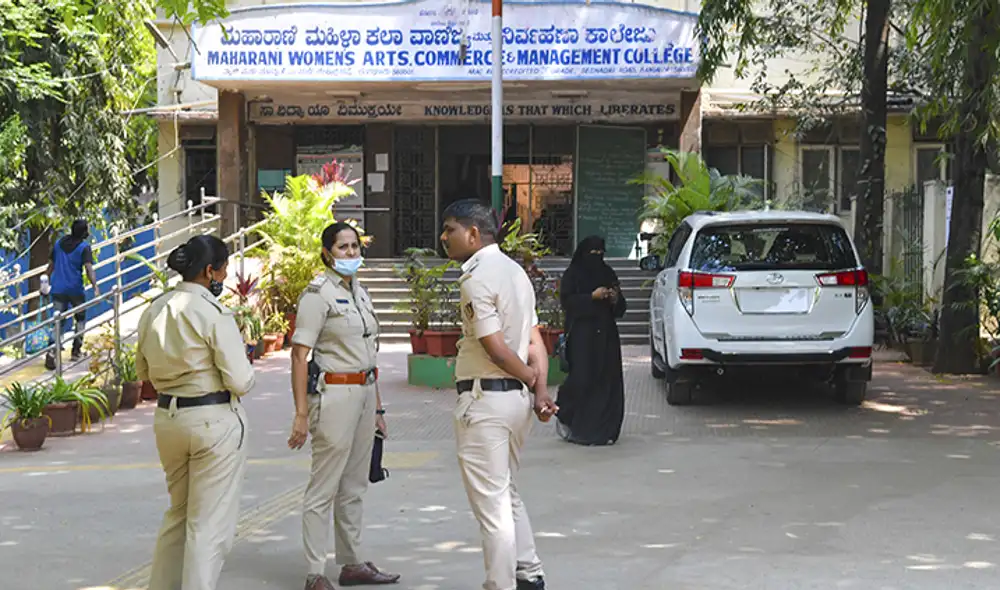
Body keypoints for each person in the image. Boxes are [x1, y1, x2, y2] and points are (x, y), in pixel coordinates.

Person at [440, 199, 559, 590]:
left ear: (473, 234)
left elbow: (494, 346)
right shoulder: (515, 272)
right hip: (515, 405)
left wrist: (530, 379)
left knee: (492, 507)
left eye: (450, 230)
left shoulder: (477, 276)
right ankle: (529, 574)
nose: (444, 238)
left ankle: (501, 584)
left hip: (486, 403)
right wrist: (540, 390)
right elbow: (534, 338)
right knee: (505, 492)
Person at [137, 235, 256, 590]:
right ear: (209, 272)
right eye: (223, 269)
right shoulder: (214, 313)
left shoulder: (155, 309)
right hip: (213, 421)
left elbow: (143, 374)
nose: (225, 276)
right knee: (208, 526)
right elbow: (240, 380)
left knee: (179, 514)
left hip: (168, 420)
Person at [287, 221, 399, 590]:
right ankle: (315, 572)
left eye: (354, 247)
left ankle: (351, 563)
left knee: (354, 485)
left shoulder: (360, 293)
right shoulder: (317, 295)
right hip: (334, 394)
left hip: (365, 393)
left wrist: (379, 409)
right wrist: (301, 415)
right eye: (342, 248)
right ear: (326, 253)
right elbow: (300, 356)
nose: (351, 254)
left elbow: (370, 355)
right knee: (324, 486)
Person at [554, 236, 627, 446]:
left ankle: (606, 430)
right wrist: (591, 297)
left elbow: (621, 308)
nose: (596, 257)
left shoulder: (607, 273)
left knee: (607, 380)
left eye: (600, 253)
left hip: (606, 336)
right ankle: (572, 421)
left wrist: (614, 298)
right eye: (592, 253)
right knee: (582, 378)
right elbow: (568, 302)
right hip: (582, 336)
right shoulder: (573, 274)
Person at [45, 219, 99, 369]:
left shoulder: (58, 244)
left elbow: (50, 266)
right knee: (80, 319)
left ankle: (52, 351)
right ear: (84, 232)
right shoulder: (84, 247)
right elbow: (89, 269)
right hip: (75, 290)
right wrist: (95, 286)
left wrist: (45, 283)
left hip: (58, 288)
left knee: (58, 321)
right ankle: (76, 351)